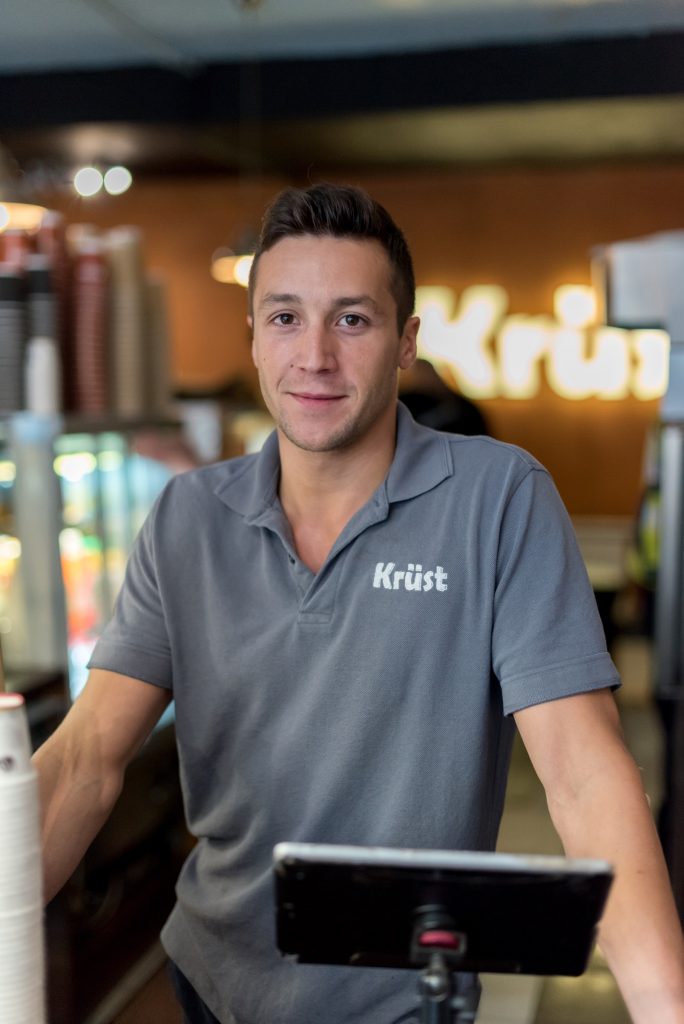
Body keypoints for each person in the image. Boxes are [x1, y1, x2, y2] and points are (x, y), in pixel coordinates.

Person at [34, 183, 684, 1024]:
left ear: (406, 341)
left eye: (351, 319)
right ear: (254, 336)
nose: (314, 356)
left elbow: (585, 774)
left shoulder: (497, 498)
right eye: (285, 318)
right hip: (214, 983)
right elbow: (85, 758)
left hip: (402, 995)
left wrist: (667, 1007)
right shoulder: (188, 516)